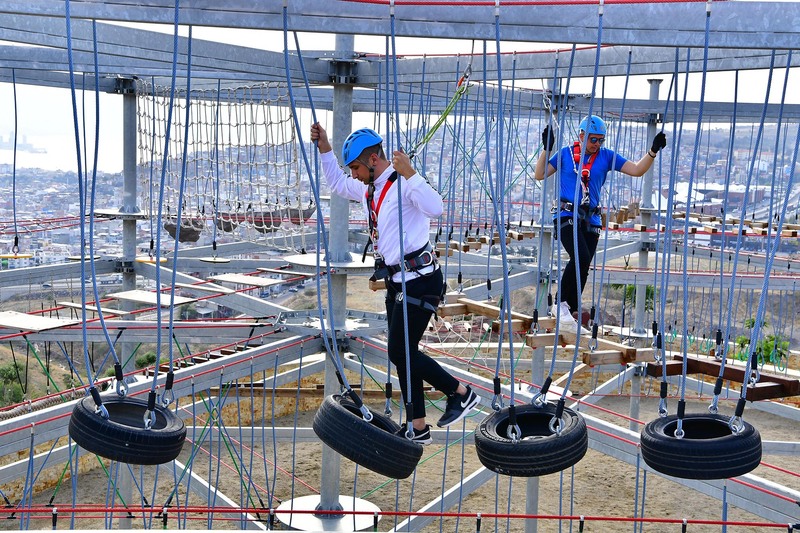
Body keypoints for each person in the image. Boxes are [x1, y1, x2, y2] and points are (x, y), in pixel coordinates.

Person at [310, 122, 480, 445]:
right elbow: (336, 183)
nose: (355, 175)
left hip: (421, 280)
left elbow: (437, 208)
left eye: (357, 168)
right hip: (399, 282)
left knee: (399, 350)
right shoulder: (371, 189)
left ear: (373, 160)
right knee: (404, 352)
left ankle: (461, 392)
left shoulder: (404, 186)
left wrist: (412, 174)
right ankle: (418, 425)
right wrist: (325, 148)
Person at [534, 115, 667, 333]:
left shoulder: (605, 156)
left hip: (591, 218)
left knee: (584, 266)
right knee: (580, 256)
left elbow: (636, 170)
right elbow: (540, 174)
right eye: (593, 140)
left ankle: (569, 310)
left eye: (601, 140)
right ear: (582, 135)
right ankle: (560, 304)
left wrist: (653, 151)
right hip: (566, 215)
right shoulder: (566, 155)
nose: (597, 145)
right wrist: (546, 150)